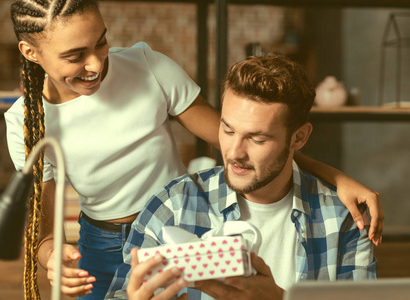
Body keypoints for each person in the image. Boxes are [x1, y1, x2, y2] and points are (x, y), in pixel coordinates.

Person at [5, 1, 382, 299]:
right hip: (99, 242)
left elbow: (243, 142)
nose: (96, 63)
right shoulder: (25, 122)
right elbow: (45, 224)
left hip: (179, 223)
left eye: (101, 41)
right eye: (75, 55)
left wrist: (334, 178)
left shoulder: (146, 67)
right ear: (30, 51)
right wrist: (51, 255)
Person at [106, 53, 377, 300]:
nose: (234, 153)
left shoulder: (342, 220)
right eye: (227, 130)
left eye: (257, 139)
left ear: (299, 137)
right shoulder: (173, 205)